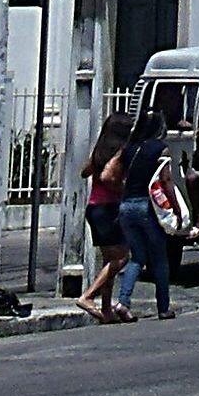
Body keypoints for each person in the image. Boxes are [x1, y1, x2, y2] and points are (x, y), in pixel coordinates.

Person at [112, 106, 176, 321]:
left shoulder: (129, 148)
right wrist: (175, 207)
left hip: (126, 206)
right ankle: (164, 307)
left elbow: (119, 177)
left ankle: (123, 302)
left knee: (137, 257)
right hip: (146, 207)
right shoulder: (161, 149)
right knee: (159, 258)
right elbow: (166, 180)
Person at [77, 112, 133, 322]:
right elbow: (106, 177)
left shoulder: (100, 151)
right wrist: (122, 189)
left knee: (109, 261)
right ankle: (88, 296)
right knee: (121, 258)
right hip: (108, 208)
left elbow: (85, 172)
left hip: (94, 207)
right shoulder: (120, 152)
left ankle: (106, 309)